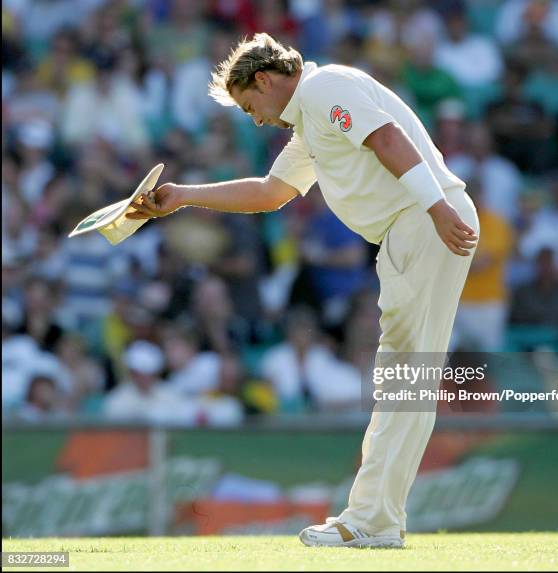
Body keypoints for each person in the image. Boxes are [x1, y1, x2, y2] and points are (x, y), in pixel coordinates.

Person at [127, 33, 479, 548]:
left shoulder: (324, 89)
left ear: (265, 81)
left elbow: (385, 139)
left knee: (402, 380)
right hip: (418, 223)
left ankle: (371, 522)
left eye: (251, 106)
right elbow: (271, 194)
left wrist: (437, 208)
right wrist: (182, 197)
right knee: (406, 381)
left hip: (422, 220)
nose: (257, 121)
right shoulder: (312, 120)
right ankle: (377, 520)